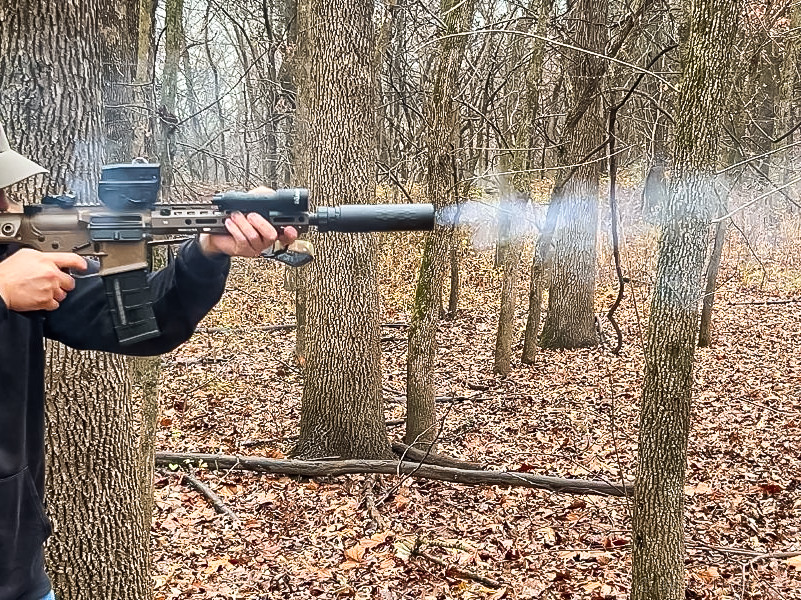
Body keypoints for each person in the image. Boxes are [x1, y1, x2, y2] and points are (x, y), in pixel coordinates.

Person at [0, 121, 297, 600]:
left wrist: (206, 250)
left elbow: (135, 324)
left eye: (6, 193)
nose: (12, 208)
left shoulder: (15, 262)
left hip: (15, 571)